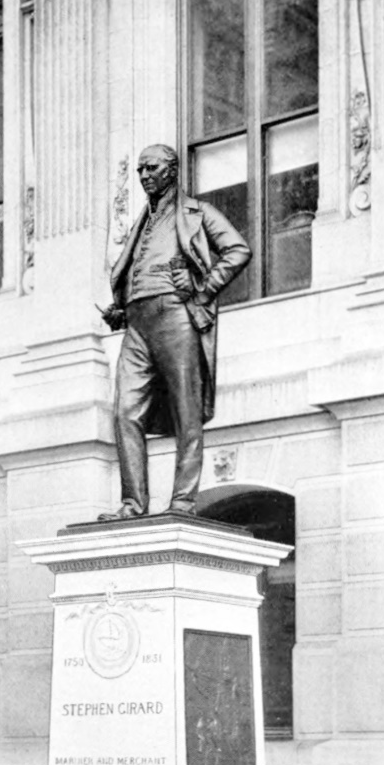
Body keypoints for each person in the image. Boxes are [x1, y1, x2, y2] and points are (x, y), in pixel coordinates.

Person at [99, 144, 251, 520]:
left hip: (176, 316)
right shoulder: (142, 223)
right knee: (124, 412)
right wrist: (122, 309)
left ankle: (182, 502)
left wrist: (203, 286)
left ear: (171, 170)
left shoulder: (198, 213)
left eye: (151, 168)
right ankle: (133, 504)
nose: (144, 176)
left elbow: (238, 249)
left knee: (187, 412)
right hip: (137, 326)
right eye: (140, 170)